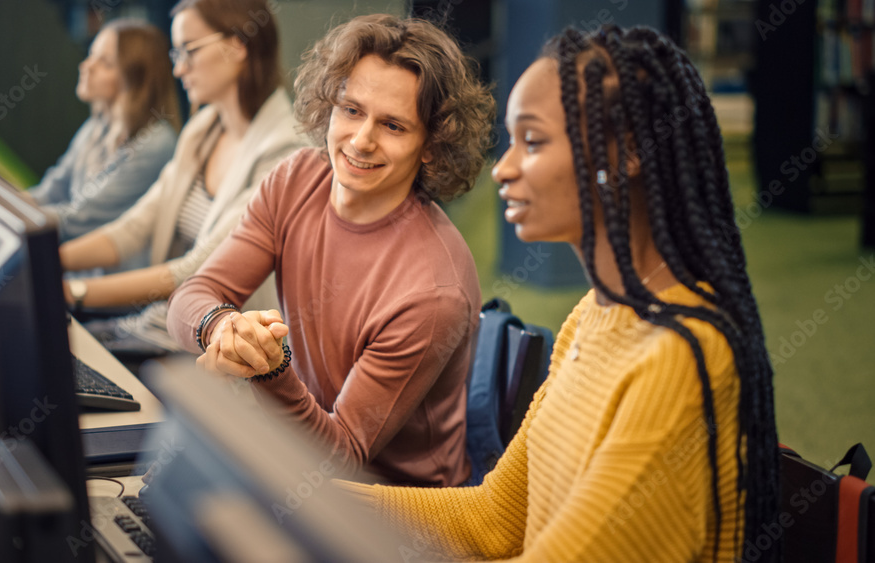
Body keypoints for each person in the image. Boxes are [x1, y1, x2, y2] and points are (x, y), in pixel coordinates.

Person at [336, 26, 780, 562]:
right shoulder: (594, 314)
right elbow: (496, 518)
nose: (503, 168)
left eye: (535, 141)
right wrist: (321, 502)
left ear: (628, 154)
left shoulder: (679, 359)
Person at [166, 14, 495, 487]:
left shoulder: (433, 291)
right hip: (295, 468)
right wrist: (224, 328)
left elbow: (341, 455)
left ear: (430, 145)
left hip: (394, 516)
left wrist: (269, 367)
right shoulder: (296, 177)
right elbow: (194, 293)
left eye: (394, 126)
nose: (361, 140)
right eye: (352, 110)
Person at [59, 0, 304, 358]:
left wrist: (72, 291)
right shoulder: (203, 128)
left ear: (238, 45)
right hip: (156, 324)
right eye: (176, 54)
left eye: (189, 50)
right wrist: (49, 260)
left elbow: (195, 270)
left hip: (209, 350)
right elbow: (135, 226)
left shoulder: (285, 152)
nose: (178, 69)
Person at [29, 19, 180, 243]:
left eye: (105, 62)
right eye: (92, 55)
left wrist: (2, 215)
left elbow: (78, 219)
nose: (86, 66)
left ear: (135, 80)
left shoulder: (156, 143)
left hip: (111, 275)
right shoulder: (95, 127)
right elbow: (51, 192)